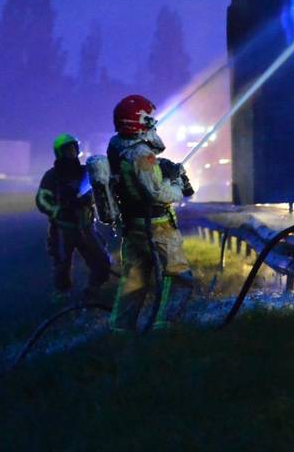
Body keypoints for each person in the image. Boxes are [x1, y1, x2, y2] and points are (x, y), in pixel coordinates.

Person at [107, 94, 194, 331]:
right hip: (156, 227)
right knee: (179, 278)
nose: (153, 122)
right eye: (149, 118)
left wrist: (161, 169)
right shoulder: (141, 154)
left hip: (134, 225)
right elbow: (156, 193)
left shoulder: (118, 146)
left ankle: (121, 329)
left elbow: (136, 182)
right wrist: (175, 182)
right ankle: (166, 325)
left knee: (135, 280)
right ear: (138, 121)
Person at [35, 133, 112, 300]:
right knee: (62, 267)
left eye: (73, 148)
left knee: (102, 263)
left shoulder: (86, 171)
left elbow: (100, 189)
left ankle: (92, 293)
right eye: (67, 149)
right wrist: (58, 210)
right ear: (59, 153)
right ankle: (63, 300)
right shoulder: (52, 176)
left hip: (86, 227)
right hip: (63, 229)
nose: (71, 152)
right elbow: (41, 200)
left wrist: (88, 198)